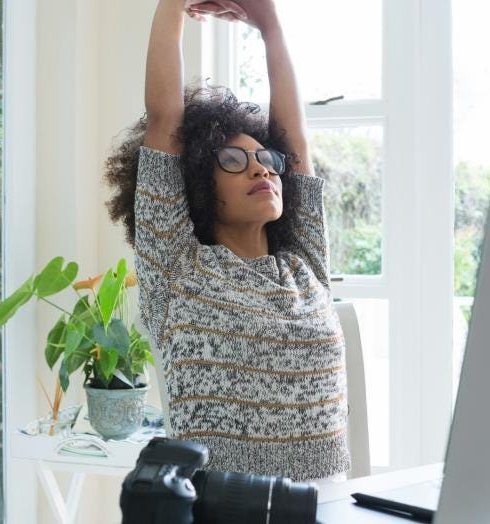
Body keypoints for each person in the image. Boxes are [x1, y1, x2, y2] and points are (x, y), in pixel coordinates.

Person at [103, 0, 350, 482]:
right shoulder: (177, 269)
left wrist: (271, 25)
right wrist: (173, 4)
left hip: (328, 507)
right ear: (196, 183)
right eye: (234, 162)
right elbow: (165, 125)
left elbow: (294, 144)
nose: (262, 168)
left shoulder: (305, 265)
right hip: (224, 509)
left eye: (266, 160)